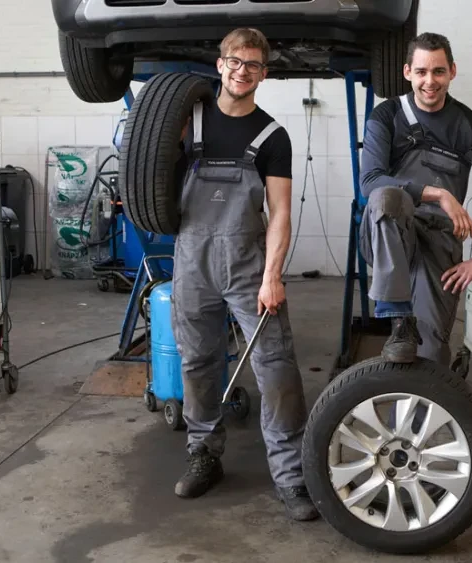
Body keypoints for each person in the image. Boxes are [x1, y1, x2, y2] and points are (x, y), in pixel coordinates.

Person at [169, 27, 317, 522]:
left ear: (263, 73)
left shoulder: (272, 136)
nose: (242, 71)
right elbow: (149, 170)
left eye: (253, 65)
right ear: (220, 64)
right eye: (235, 61)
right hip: (192, 258)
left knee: (275, 366)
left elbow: (279, 213)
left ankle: (291, 474)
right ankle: (204, 454)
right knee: (197, 361)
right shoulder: (187, 121)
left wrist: (273, 275)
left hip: (247, 263)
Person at [359, 32, 472, 366]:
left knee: (431, 352)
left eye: (438, 72)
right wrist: (439, 193)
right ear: (408, 73)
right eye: (421, 72)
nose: (429, 82)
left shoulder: (467, 124)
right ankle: (398, 318)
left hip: (440, 241)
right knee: (388, 197)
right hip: (391, 233)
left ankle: (419, 416)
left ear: (452, 72)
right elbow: (369, 181)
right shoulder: (387, 116)